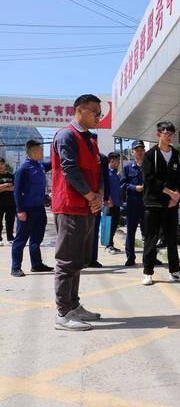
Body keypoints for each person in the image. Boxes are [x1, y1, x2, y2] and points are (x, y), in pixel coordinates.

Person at [51, 94, 104, 331]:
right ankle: (63, 313)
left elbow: (98, 172)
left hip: (87, 207)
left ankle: (73, 305)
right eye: (95, 111)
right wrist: (90, 196)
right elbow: (69, 169)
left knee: (79, 260)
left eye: (99, 113)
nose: (98, 117)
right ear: (80, 110)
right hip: (71, 206)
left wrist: (99, 196)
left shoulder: (91, 140)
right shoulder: (66, 135)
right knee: (66, 261)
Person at [141, 121, 180, 286]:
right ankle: (147, 272)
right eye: (165, 133)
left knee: (171, 239)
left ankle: (174, 271)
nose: (169, 137)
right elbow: (149, 180)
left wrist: (176, 197)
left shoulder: (176, 154)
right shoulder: (150, 155)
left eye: (171, 134)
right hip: (153, 204)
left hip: (172, 205)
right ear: (158, 135)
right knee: (151, 239)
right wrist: (170, 194)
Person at [10, 140, 53, 277]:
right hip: (26, 209)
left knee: (36, 238)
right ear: (34, 152)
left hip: (40, 209)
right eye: (41, 150)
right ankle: (15, 267)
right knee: (21, 239)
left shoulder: (40, 166)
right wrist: (20, 210)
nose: (42, 153)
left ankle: (37, 265)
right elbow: (17, 191)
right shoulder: (23, 169)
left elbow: (53, 164)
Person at [120, 140, 145, 266]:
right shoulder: (127, 167)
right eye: (137, 150)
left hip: (147, 204)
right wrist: (134, 188)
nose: (140, 152)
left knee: (149, 232)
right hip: (133, 204)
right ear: (132, 152)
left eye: (141, 150)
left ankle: (150, 257)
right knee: (131, 231)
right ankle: (130, 257)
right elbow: (123, 185)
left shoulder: (149, 166)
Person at [89, 150, 109, 268]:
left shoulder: (102, 158)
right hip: (81, 196)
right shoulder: (79, 153)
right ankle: (80, 258)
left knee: (95, 229)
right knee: (81, 230)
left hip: (97, 196)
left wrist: (105, 197)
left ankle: (92, 259)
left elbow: (105, 178)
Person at [105, 152, 123, 254]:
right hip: (110, 204)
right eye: (117, 160)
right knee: (110, 225)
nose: (119, 162)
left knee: (115, 225)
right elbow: (106, 188)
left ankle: (111, 244)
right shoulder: (107, 173)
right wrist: (108, 198)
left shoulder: (115, 174)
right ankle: (108, 245)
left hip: (116, 204)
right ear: (111, 161)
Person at [0, 158, 16, 246]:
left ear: (4, 165)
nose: (0, 166)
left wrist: (2, 188)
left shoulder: (11, 175)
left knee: (10, 221)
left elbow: (15, 187)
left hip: (11, 203)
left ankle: (10, 238)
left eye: (1, 164)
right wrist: (7, 185)